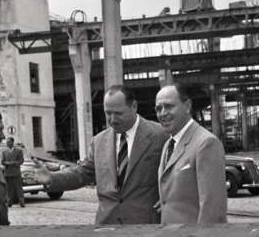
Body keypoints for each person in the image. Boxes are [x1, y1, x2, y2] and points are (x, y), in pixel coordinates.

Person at [34, 84, 167, 225]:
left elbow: (176, 171)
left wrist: (171, 196)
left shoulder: (161, 135)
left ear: (134, 106)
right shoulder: (99, 141)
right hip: (107, 224)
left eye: (118, 113)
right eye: (108, 113)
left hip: (146, 224)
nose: (112, 119)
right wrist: (51, 177)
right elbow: (83, 173)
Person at [155, 84, 227, 226]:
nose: (162, 113)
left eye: (169, 106)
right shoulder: (168, 145)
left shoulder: (206, 143)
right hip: (170, 235)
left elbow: (213, 210)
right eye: (158, 108)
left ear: (187, 106)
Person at [1, 136, 25, 207]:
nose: (7, 143)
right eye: (7, 142)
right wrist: (8, 163)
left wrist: (14, 163)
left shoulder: (19, 150)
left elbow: (21, 160)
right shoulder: (4, 151)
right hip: (8, 173)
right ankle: (9, 202)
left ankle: (22, 202)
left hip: (16, 172)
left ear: (12, 142)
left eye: (8, 142)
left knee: (19, 188)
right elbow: (2, 161)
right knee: (9, 189)